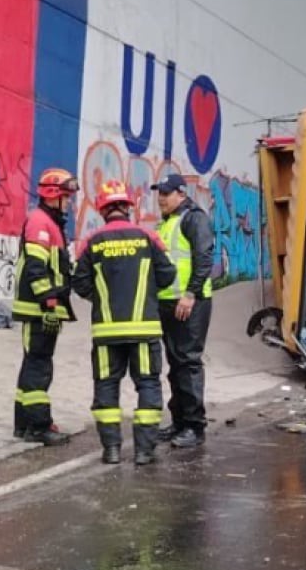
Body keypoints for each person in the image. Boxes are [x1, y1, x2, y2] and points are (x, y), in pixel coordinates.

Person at [72, 180, 175, 465]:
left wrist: (104, 298)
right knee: (148, 385)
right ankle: (143, 451)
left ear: (103, 210)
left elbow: (79, 283)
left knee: (106, 385)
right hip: (144, 329)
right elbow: (167, 276)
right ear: (128, 207)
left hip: (106, 331)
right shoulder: (147, 237)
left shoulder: (92, 241)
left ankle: (112, 450)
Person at [11, 167, 80, 446]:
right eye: (68, 196)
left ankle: (24, 424)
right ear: (55, 196)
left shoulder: (49, 222)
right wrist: (50, 304)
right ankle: (39, 426)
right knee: (39, 366)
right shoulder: (40, 223)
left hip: (40, 308)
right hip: (40, 309)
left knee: (33, 362)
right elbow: (37, 270)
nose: (71, 202)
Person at [152, 173, 215, 448]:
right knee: (175, 364)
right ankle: (179, 421)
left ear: (181, 193)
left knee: (188, 362)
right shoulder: (166, 223)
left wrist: (191, 293)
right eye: (159, 193)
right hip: (168, 302)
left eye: (166, 193)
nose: (161, 198)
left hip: (190, 302)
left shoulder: (194, 218)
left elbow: (204, 257)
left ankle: (194, 426)